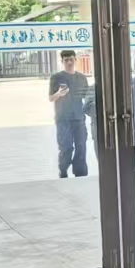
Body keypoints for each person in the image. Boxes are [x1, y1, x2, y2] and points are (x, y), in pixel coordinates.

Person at [48, 48, 93, 178]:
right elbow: (51, 98)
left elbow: (87, 96)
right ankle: (63, 171)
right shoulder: (56, 78)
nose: (69, 62)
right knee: (66, 148)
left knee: (81, 147)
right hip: (63, 119)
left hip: (79, 119)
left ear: (75, 60)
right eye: (66, 60)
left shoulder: (82, 78)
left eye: (71, 59)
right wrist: (59, 93)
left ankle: (80, 174)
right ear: (62, 61)